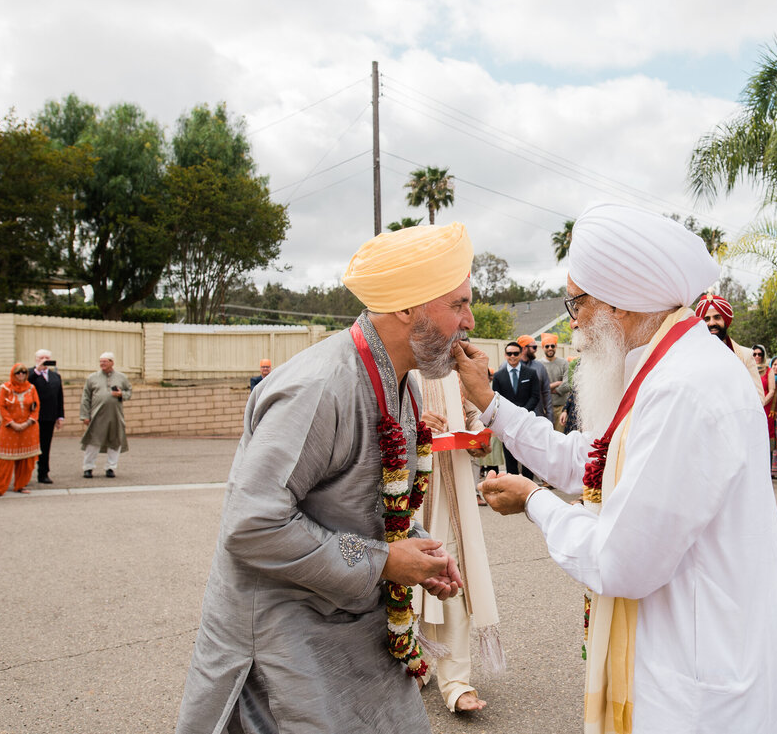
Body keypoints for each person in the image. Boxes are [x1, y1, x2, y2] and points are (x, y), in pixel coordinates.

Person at [457, 204, 777, 733]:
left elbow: (624, 561)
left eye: (575, 304)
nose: (573, 325)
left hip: (698, 680)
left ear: (617, 304)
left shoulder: (681, 389)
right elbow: (590, 461)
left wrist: (535, 502)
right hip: (693, 649)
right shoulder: (661, 367)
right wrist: (491, 403)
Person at [176, 222, 470, 733]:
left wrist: (420, 553)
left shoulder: (404, 387)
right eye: (459, 305)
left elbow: (370, 508)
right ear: (407, 309)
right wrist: (381, 560)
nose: (469, 321)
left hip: (351, 624)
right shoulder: (319, 389)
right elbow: (253, 526)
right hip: (284, 637)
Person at [411, 368, 504, 713]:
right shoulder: (395, 361)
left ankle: (455, 682)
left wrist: (480, 438)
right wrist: (414, 422)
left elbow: (473, 419)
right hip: (404, 494)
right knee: (401, 586)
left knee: (451, 582)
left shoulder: (456, 368)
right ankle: (413, 664)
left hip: (451, 498)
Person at [694, 293, 766, 403]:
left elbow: (759, 399)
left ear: (725, 320)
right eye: (707, 319)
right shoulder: (693, 355)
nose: (712, 323)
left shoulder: (745, 355)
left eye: (717, 317)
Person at [0, 363, 41, 498]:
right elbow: (2, 407)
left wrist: (28, 422)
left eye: (24, 372)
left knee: (26, 459)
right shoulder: (6, 388)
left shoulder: (31, 388)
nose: (21, 375)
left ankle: (21, 485)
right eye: (18, 373)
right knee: (5, 459)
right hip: (9, 428)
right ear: (13, 374)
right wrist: (12, 423)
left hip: (29, 427)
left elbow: (36, 407)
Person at [491, 341, 541, 478]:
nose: (512, 356)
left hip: (526, 420)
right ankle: (512, 486)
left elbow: (535, 396)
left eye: (515, 353)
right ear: (505, 355)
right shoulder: (498, 376)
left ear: (520, 354)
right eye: (509, 353)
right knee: (510, 457)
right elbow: (497, 399)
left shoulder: (531, 373)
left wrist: (522, 413)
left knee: (528, 457)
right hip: (507, 423)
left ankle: (528, 487)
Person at [79, 352, 132, 478]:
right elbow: (85, 397)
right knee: (93, 441)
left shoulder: (122, 377)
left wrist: (121, 394)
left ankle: (110, 467)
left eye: (105, 361)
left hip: (115, 416)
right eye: (100, 361)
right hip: (97, 415)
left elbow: (129, 392)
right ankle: (88, 467)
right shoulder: (92, 378)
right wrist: (85, 415)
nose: (102, 364)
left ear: (112, 362)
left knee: (115, 441)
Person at [29, 349, 65, 484]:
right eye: (41, 357)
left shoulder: (55, 376)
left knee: (45, 446)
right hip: (32, 417)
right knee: (30, 446)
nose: (44, 360)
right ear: (36, 359)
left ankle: (43, 473)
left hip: (49, 417)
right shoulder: (29, 373)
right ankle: (25, 474)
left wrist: (60, 416)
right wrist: (38, 370)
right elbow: (25, 384)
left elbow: (59, 396)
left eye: (46, 358)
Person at [518, 335, 552, 418]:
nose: (536, 350)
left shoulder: (540, 367)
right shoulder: (509, 368)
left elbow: (546, 392)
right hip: (518, 417)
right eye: (534, 347)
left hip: (538, 416)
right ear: (523, 348)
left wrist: (550, 417)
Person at [541, 333, 571, 431]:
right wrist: (557, 384)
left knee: (560, 437)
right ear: (542, 347)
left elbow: (567, 384)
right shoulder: (539, 365)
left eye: (552, 346)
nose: (550, 348)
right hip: (544, 408)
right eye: (547, 346)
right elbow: (537, 388)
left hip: (561, 408)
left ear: (556, 347)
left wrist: (549, 389)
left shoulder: (564, 363)